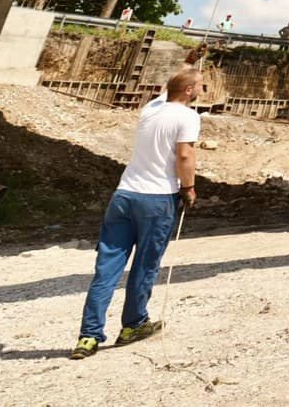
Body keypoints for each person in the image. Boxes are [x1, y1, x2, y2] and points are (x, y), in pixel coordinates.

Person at [72, 51, 204, 359]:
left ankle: (88, 337)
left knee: (106, 268)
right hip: (157, 200)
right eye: (200, 84)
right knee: (145, 265)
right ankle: (132, 325)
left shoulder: (151, 108)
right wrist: (189, 189)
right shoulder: (188, 116)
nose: (202, 89)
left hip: (124, 195)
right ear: (188, 91)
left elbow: (170, 85)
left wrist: (189, 60)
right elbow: (185, 156)